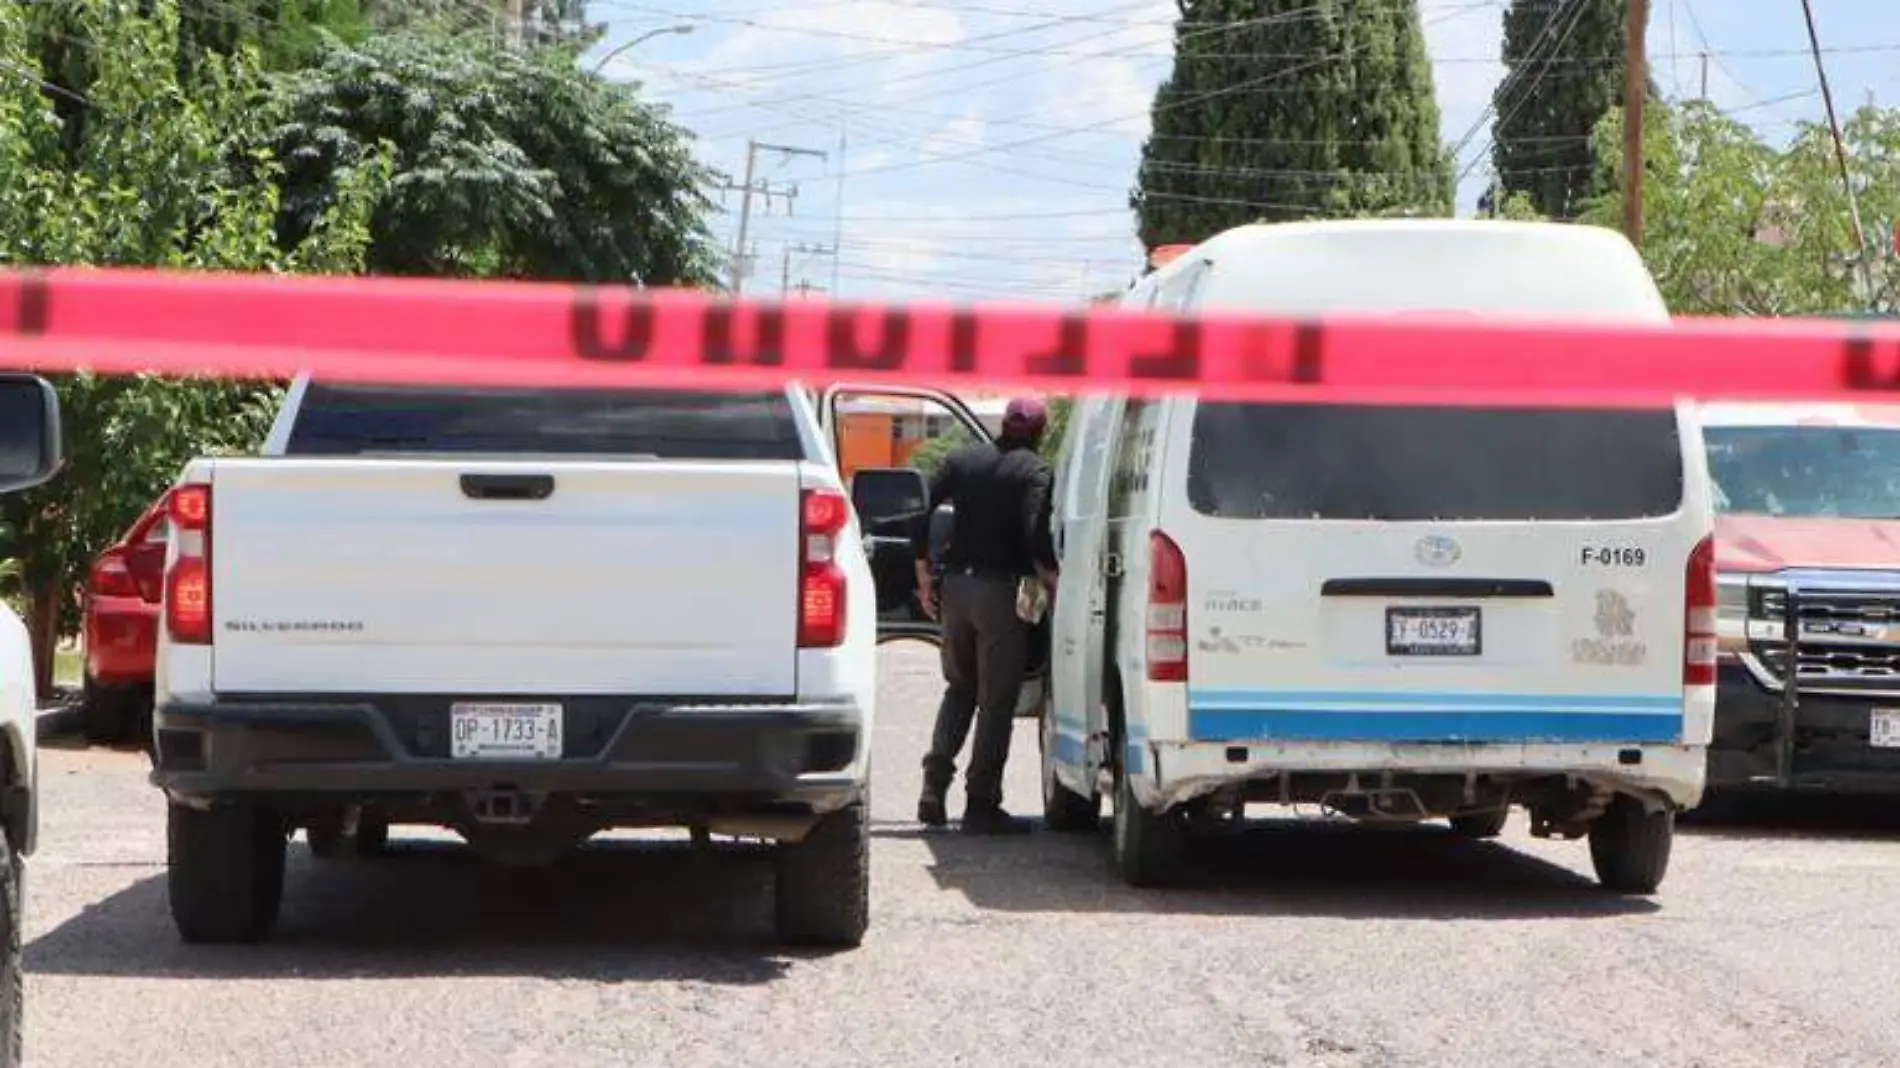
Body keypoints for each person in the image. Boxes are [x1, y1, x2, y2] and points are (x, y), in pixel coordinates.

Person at [911, 397, 1060, 835]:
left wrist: (923, 572)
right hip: (1001, 595)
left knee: (959, 688)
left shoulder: (961, 460)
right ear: (1039, 431)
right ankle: (980, 803)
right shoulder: (1035, 470)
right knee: (996, 701)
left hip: (955, 588)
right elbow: (1035, 531)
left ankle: (933, 788)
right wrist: (1052, 576)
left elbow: (919, 509)